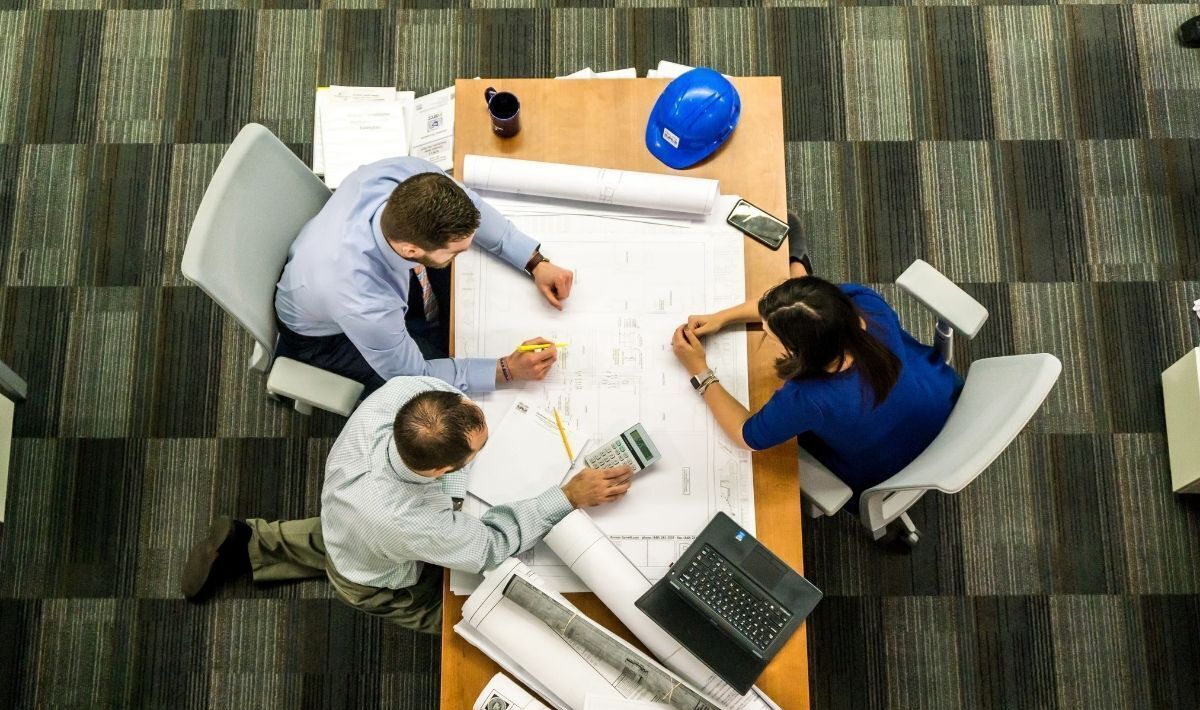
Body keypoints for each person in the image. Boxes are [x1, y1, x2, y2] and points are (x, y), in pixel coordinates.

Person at [180, 376, 633, 634]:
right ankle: (466, 628)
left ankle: (251, 541)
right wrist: (567, 496)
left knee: (341, 536)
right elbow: (489, 547)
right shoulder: (408, 521)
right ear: (440, 471)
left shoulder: (404, 394)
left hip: (347, 514)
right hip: (376, 575)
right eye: (477, 450)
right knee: (465, 618)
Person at [670, 215, 962, 512]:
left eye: (770, 335)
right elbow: (796, 309)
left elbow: (748, 436)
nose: (765, 334)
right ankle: (799, 262)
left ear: (801, 352)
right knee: (795, 269)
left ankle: (798, 261)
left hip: (890, 468)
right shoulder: (863, 302)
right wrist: (722, 317)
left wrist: (700, 371)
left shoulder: (808, 399)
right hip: (943, 400)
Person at [275, 156, 577, 395]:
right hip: (326, 337)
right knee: (436, 398)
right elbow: (413, 376)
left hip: (328, 267)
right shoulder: (364, 302)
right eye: (456, 251)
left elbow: (472, 206)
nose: (466, 252)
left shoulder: (408, 176)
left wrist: (533, 261)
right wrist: (506, 369)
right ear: (410, 250)